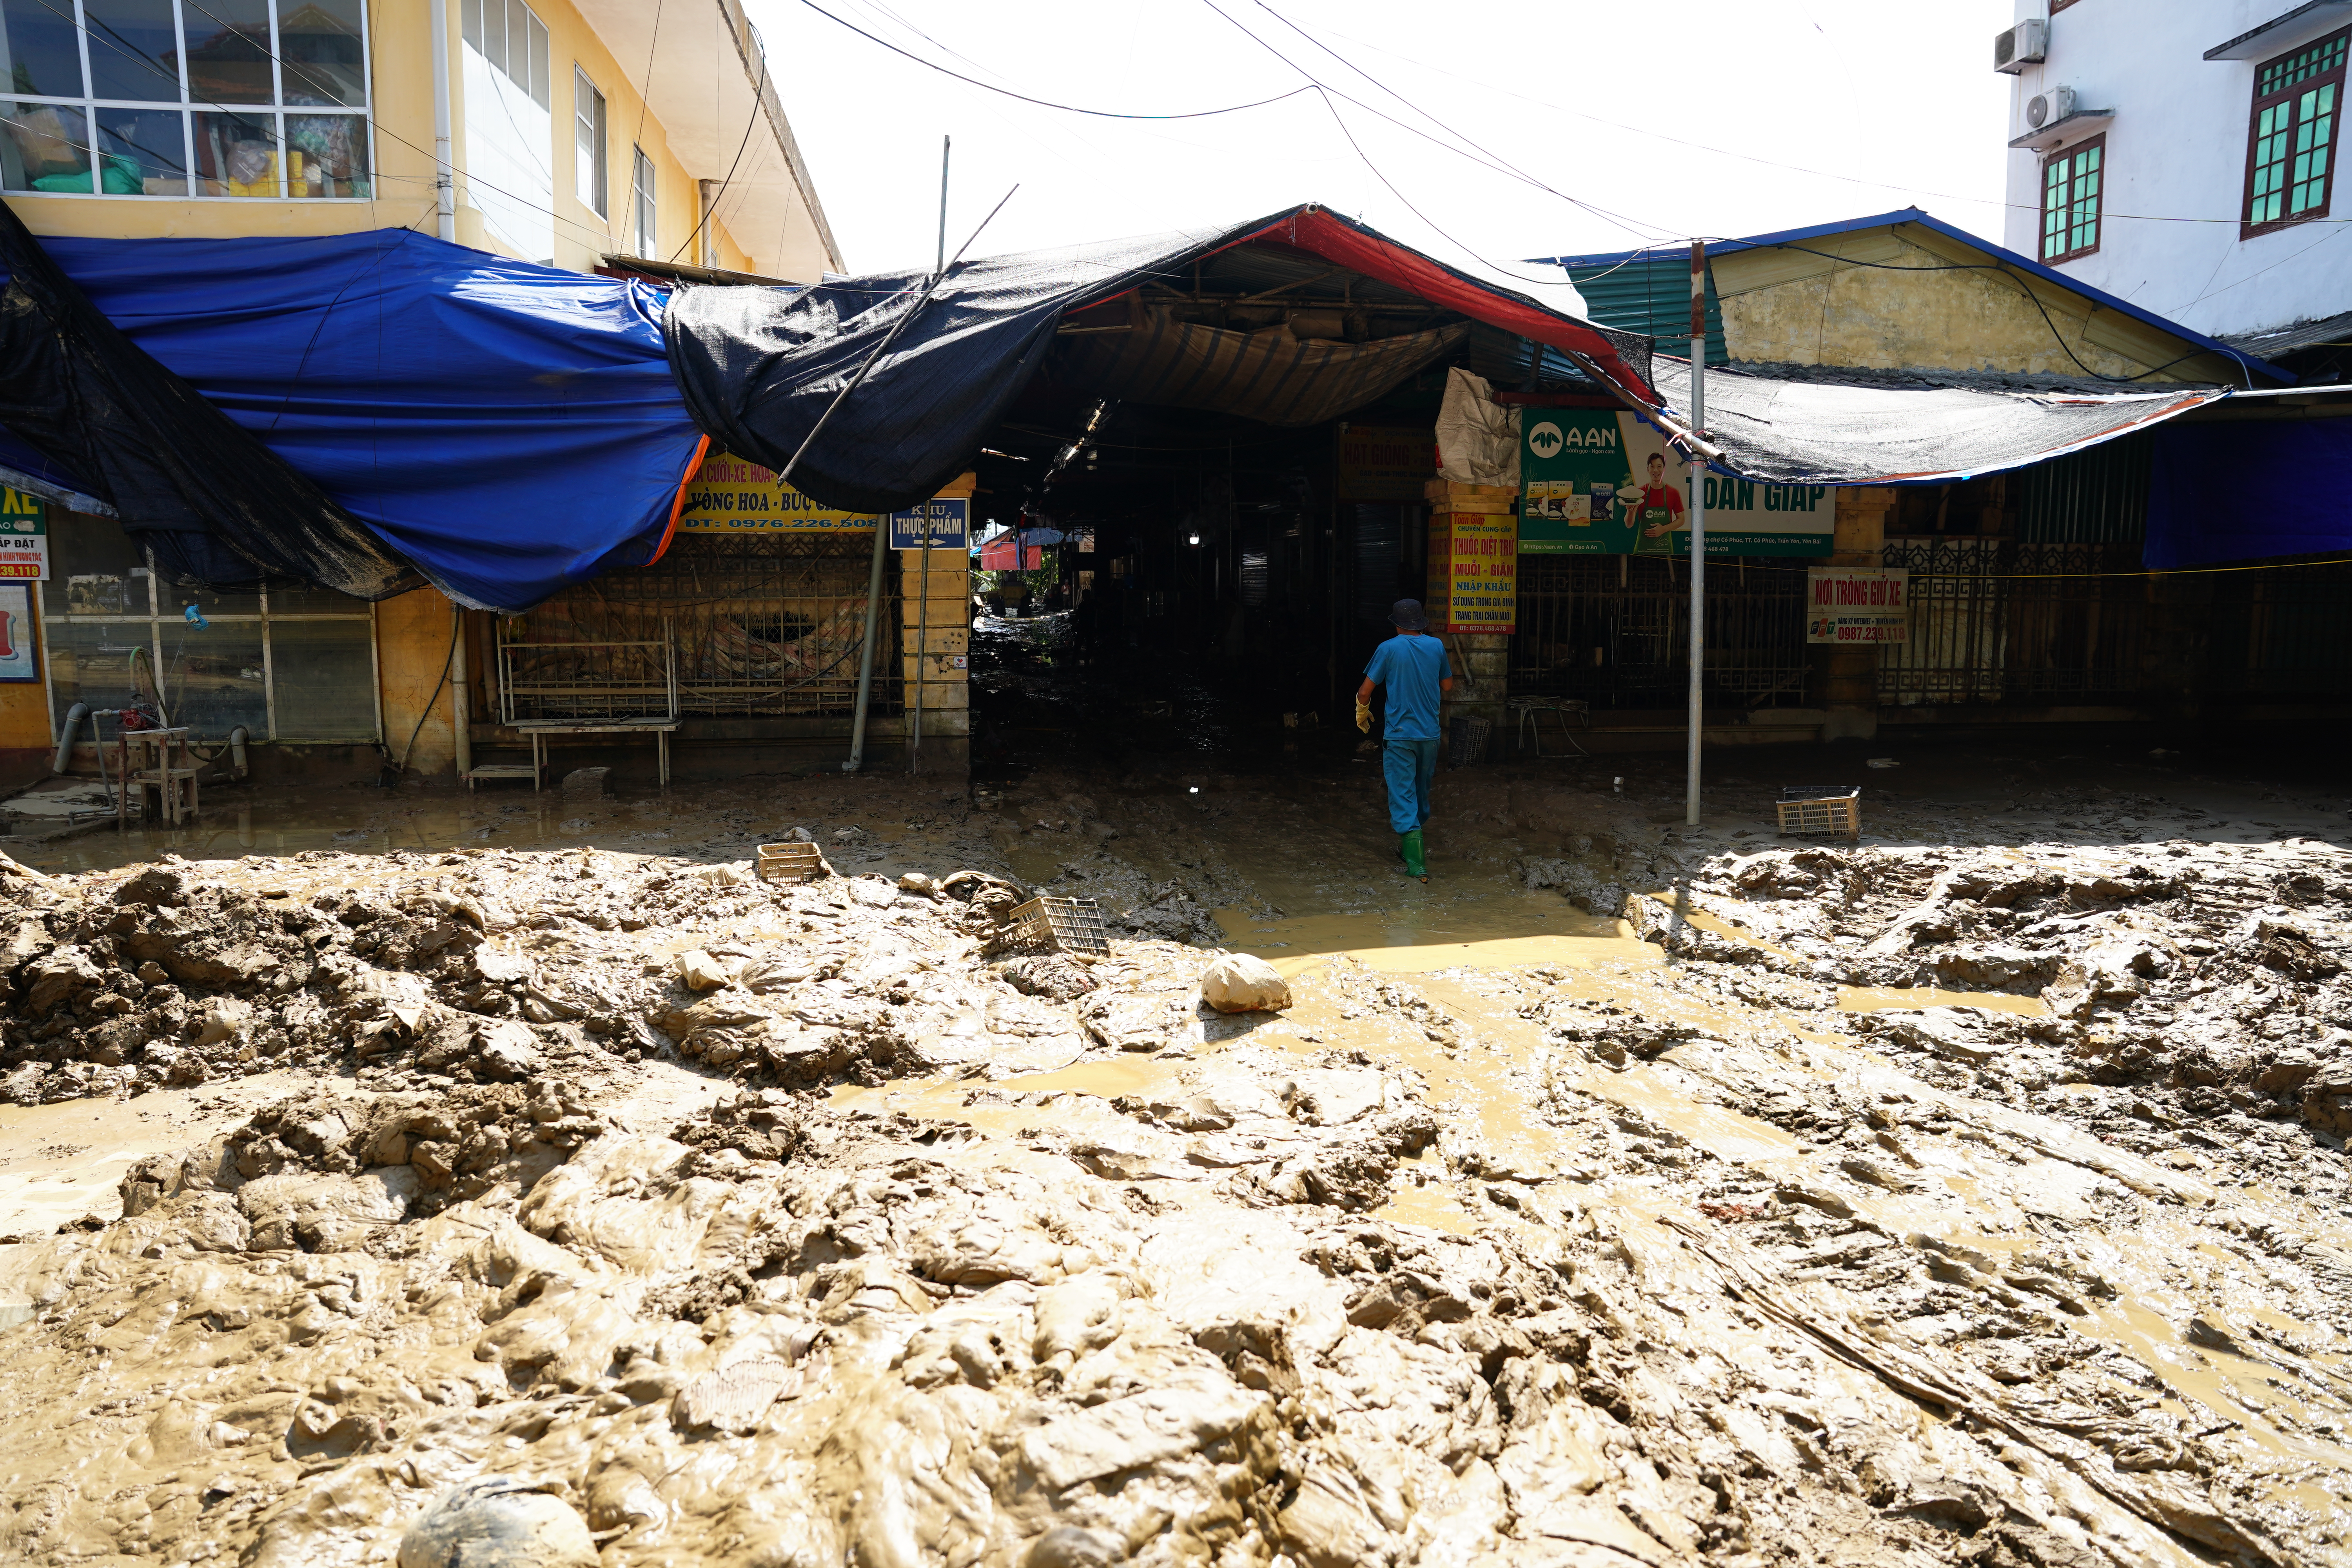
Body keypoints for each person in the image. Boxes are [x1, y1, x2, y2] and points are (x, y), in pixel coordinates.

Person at [1356, 599, 1452, 880]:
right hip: (1430, 735)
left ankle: (1417, 865)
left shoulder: (1388, 649)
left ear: (1397, 625)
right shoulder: (1436, 646)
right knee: (1421, 792)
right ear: (1421, 623)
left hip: (1400, 736)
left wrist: (1362, 711)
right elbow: (1447, 685)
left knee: (1402, 794)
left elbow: (1365, 693)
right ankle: (1413, 848)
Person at [1627, 450, 1685, 555]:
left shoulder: (1673, 493)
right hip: (1642, 551)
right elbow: (1629, 524)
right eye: (1652, 467)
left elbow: (1681, 520)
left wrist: (1664, 529)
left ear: (1664, 469)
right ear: (1648, 469)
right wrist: (1630, 511)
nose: (1656, 470)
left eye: (1659, 467)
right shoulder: (1639, 493)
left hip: (1665, 549)